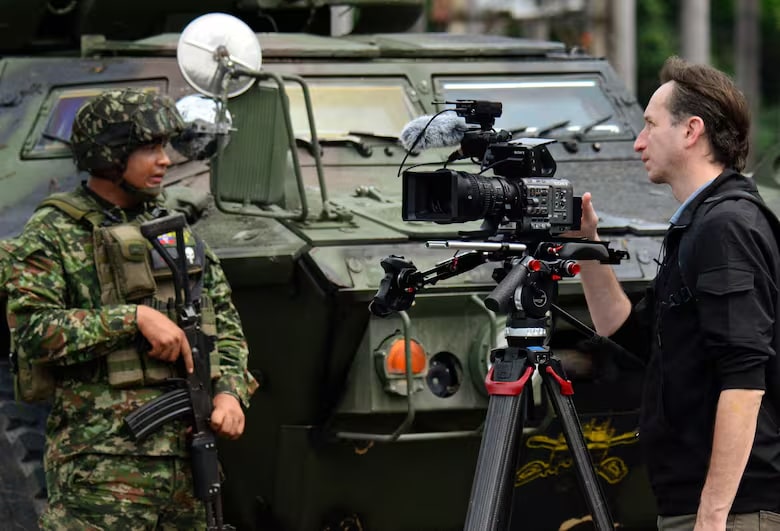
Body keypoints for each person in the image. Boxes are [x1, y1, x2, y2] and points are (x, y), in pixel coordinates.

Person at [5, 88, 258, 529]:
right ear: (109, 154)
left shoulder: (172, 229)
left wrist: (229, 393)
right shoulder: (53, 233)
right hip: (102, 470)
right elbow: (33, 332)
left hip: (190, 464)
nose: (164, 160)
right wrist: (133, 318)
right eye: (149, 148)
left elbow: (225, 326)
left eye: (164, 147)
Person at [577, 56, 780, 530]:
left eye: (650, 125)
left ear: (692, 131)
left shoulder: (726, 227)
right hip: (699, 505)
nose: (638, 142)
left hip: (733, 511)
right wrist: (586, 247)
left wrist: (712, 517)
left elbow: (745, 382)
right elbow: (630, 337)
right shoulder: (698, 227)